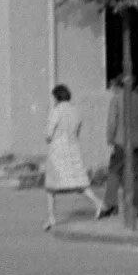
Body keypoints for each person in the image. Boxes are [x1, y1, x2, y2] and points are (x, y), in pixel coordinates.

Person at [43, 83, 105, 230]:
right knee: (79, 182)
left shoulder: (56, 111)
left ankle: (51, 217)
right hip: (73, 149)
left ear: (57, 97)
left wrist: (48, 137)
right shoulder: (75, 111)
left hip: (58, 151)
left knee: (51, 186)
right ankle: (98, 203)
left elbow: (48, 134)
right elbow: (77, 131)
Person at [99, 76, 138, 218]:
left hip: (122, 142)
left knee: (114, 172)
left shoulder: (116, 99)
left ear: (120, 86)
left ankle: (110, 205)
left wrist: (110, 138)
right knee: (137, 175)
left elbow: (112, 122)